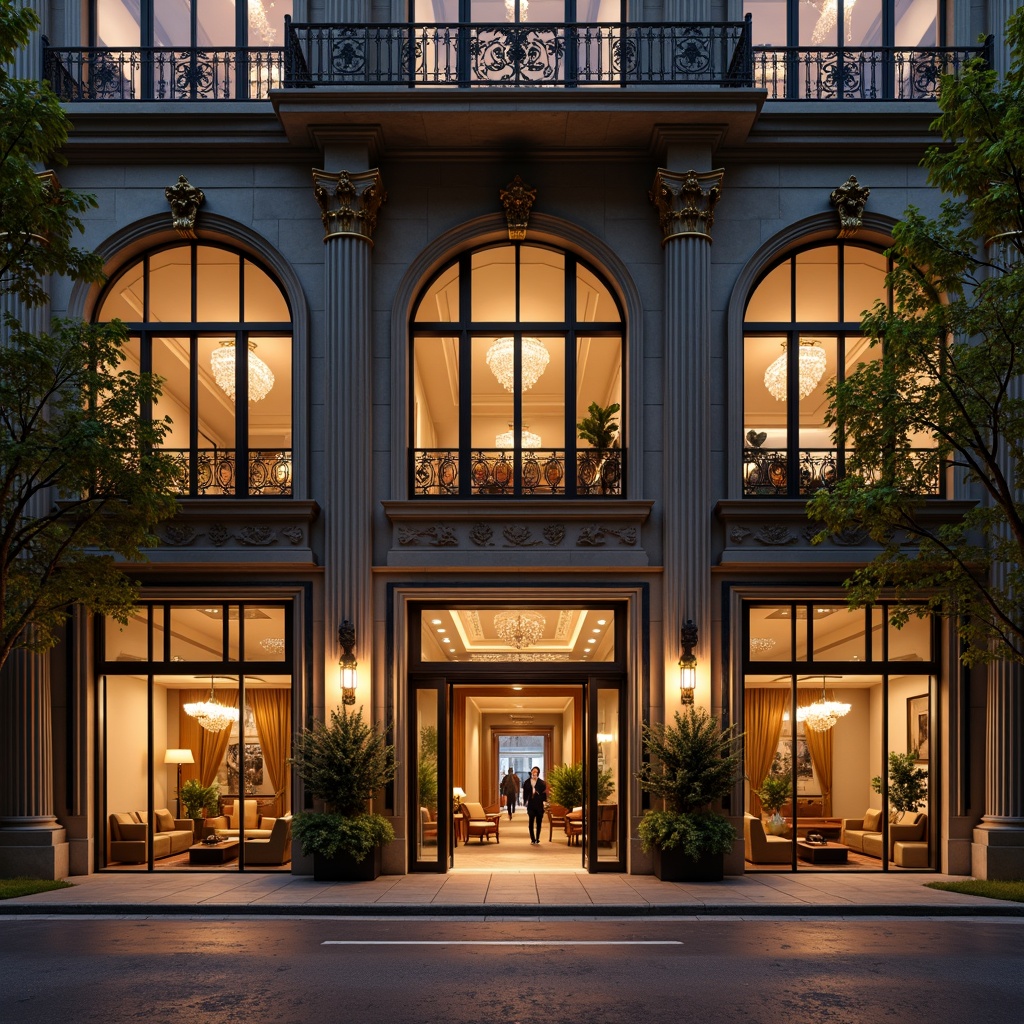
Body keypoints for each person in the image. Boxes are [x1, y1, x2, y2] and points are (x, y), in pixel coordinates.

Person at [523, 766, 547, 845]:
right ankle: (532, 839)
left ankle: (537, 838)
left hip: (539, 805)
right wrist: (525, 801)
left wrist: (544, 801)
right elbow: (525, 793)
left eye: (536, 772)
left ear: (538, 773)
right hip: (531, 805)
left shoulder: (542, 783)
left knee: (539, 823)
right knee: (531, 823)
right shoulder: (527, 782)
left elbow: (544, 795)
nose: (534, 773)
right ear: (531, 772)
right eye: (533, 771)